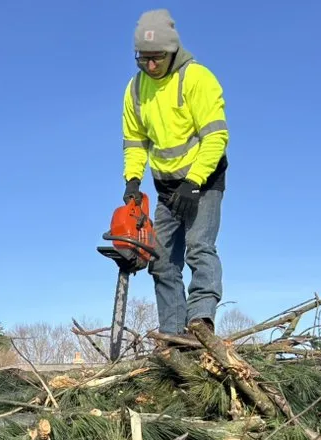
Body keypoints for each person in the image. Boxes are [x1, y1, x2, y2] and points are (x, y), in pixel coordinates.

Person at [121, 9, 229, 337]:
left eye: (156, 58)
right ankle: (173, 334)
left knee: (199, 246)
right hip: (166, 188)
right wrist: (132, 180)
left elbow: (216, 136)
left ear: (171, 52)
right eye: (143, 59)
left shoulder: (197, 78)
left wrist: (194, 183)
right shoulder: (136, 89)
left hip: (204, 181)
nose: (150, 66)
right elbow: (135, 141)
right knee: (161, 260)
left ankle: (201, 322)